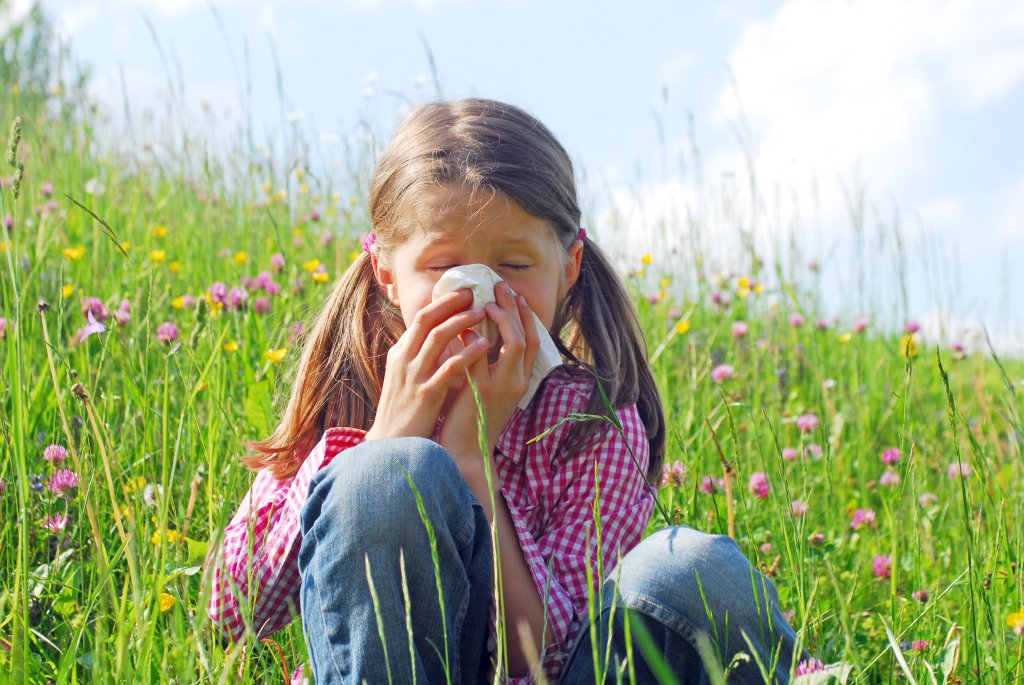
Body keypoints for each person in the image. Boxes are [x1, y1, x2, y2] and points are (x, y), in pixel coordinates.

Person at [204, 98, 806, 684]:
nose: (483, 294)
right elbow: (234, 611)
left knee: (696, 572)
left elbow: (545, 658)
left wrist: (471, 459)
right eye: (444, 267)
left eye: (514, 266)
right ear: (386, 273)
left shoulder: (592, 424)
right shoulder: (355, 391)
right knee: (388, 474)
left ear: (568, 267)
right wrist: (384, 440)